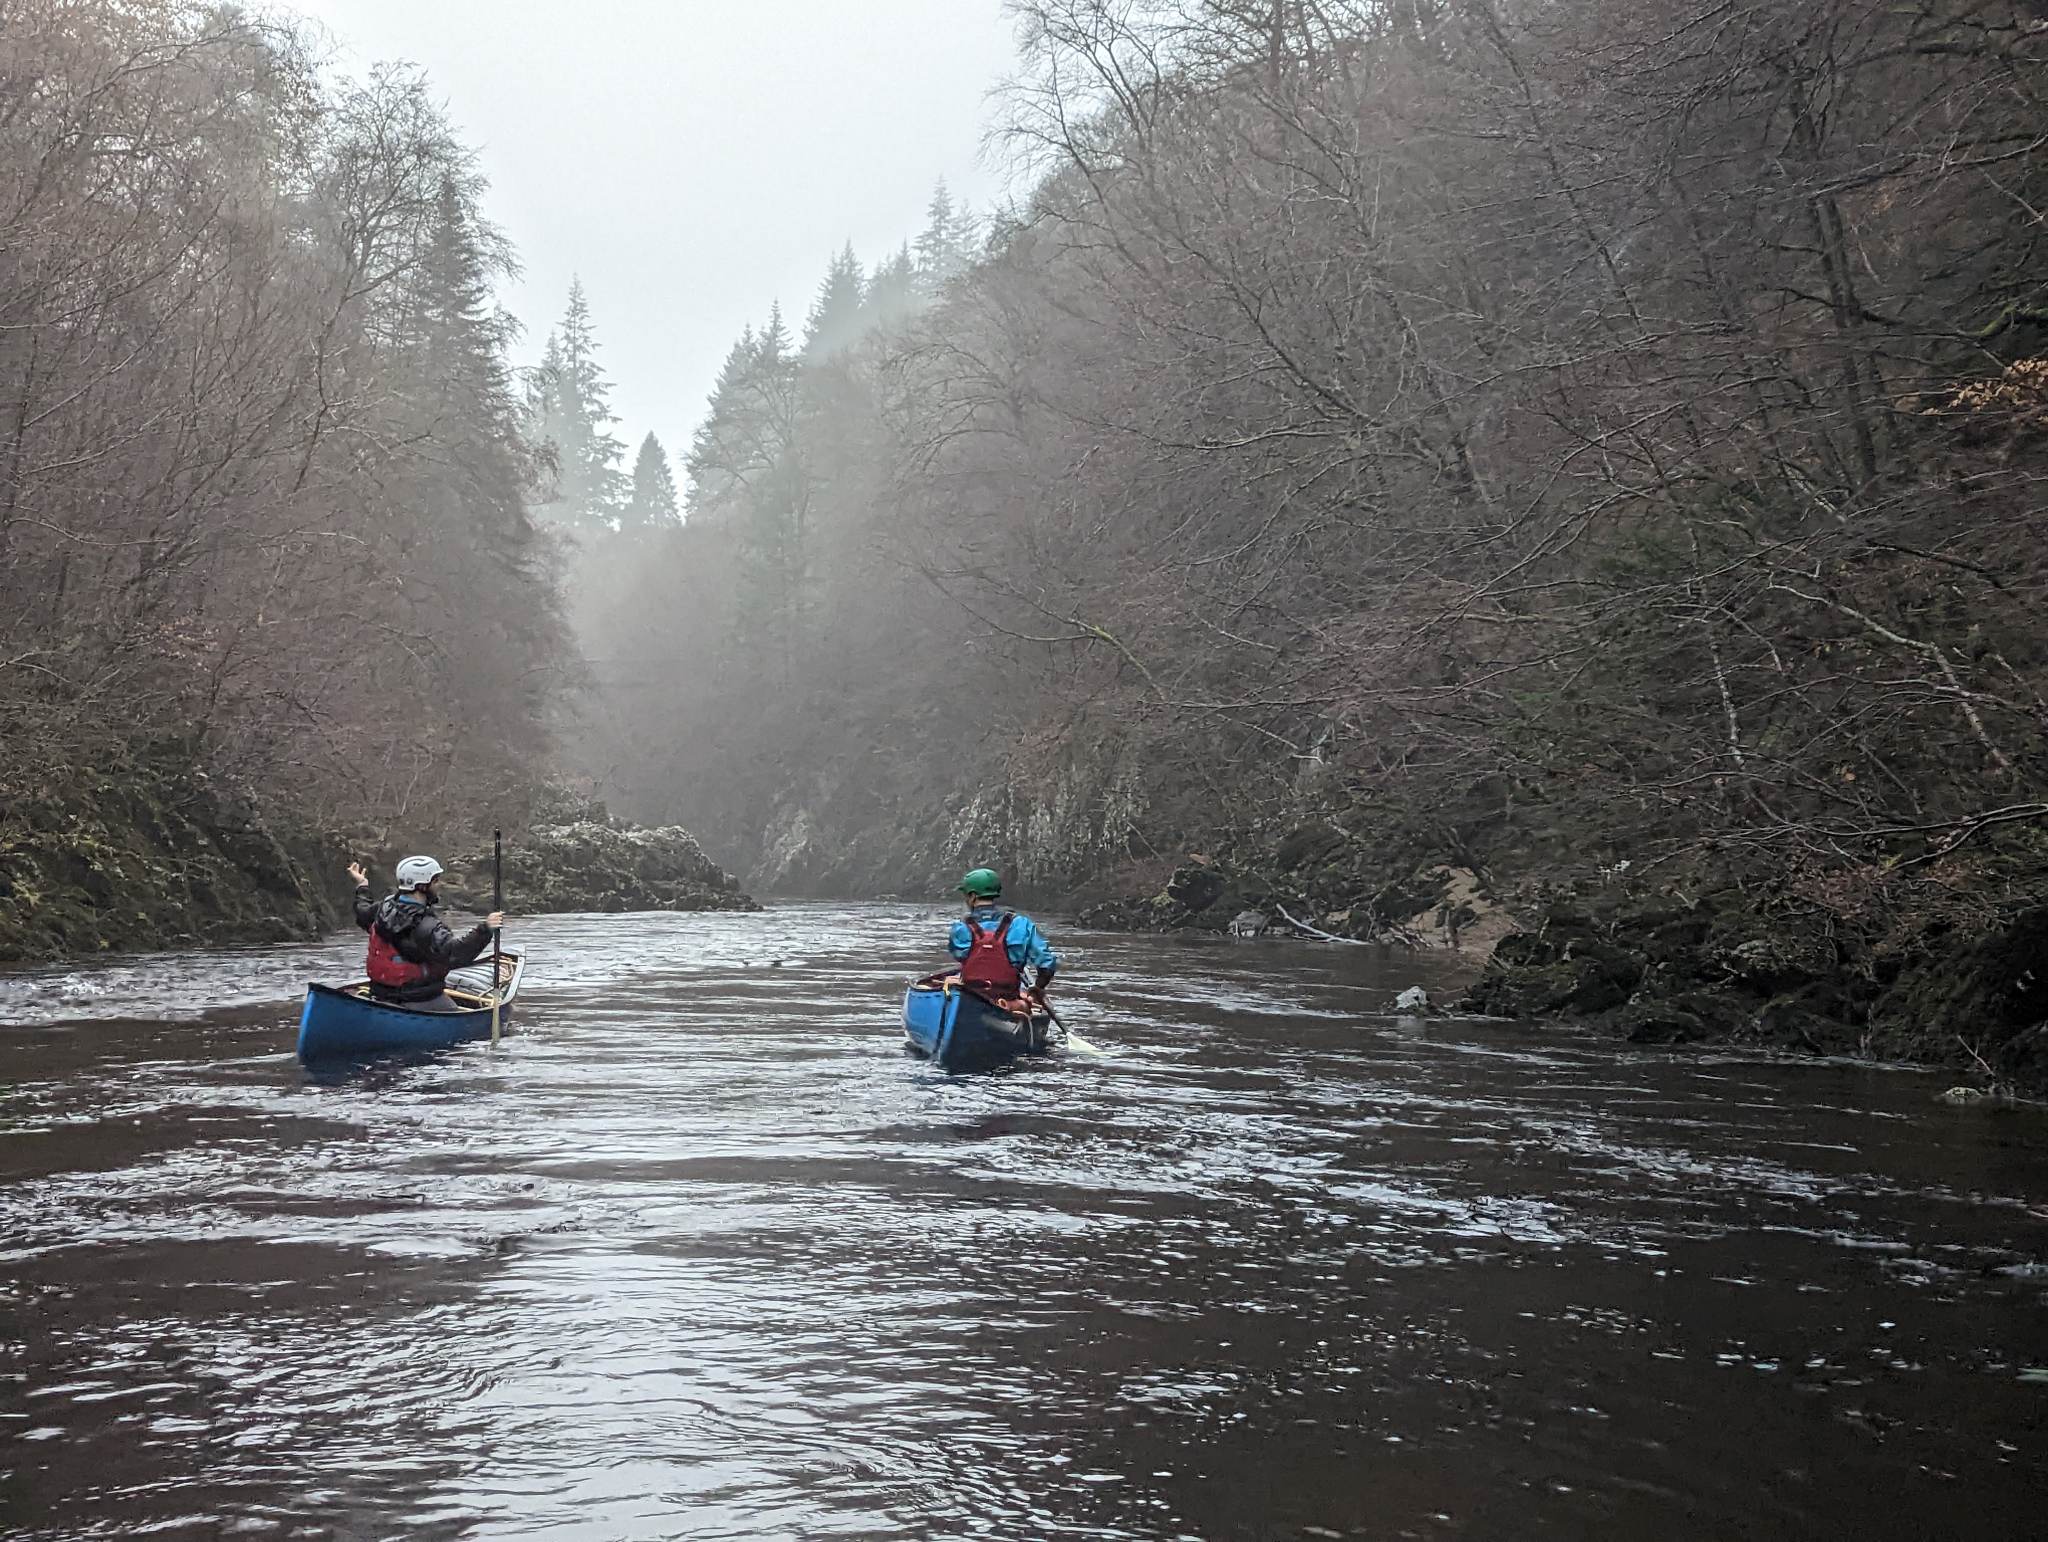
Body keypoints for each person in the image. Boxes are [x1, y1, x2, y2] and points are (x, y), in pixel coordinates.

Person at [348, 856, 503, 1010]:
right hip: (420, 999)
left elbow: (362, 911)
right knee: (458, 1015)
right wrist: (486, 928)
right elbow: (455, 955)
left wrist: (362, 885)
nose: (439, 885)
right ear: (422, 886)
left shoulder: (382, 910)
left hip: (381, 993)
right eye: (435, 881)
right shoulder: (426, 926)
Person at [948, 867, 1058, 1007]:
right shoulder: (1022, 924)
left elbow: (958, 954)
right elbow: (1047, 964)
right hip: (1008, 998)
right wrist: (1038, 988)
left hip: (970, 998)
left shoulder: (960, 927)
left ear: (973, 896)